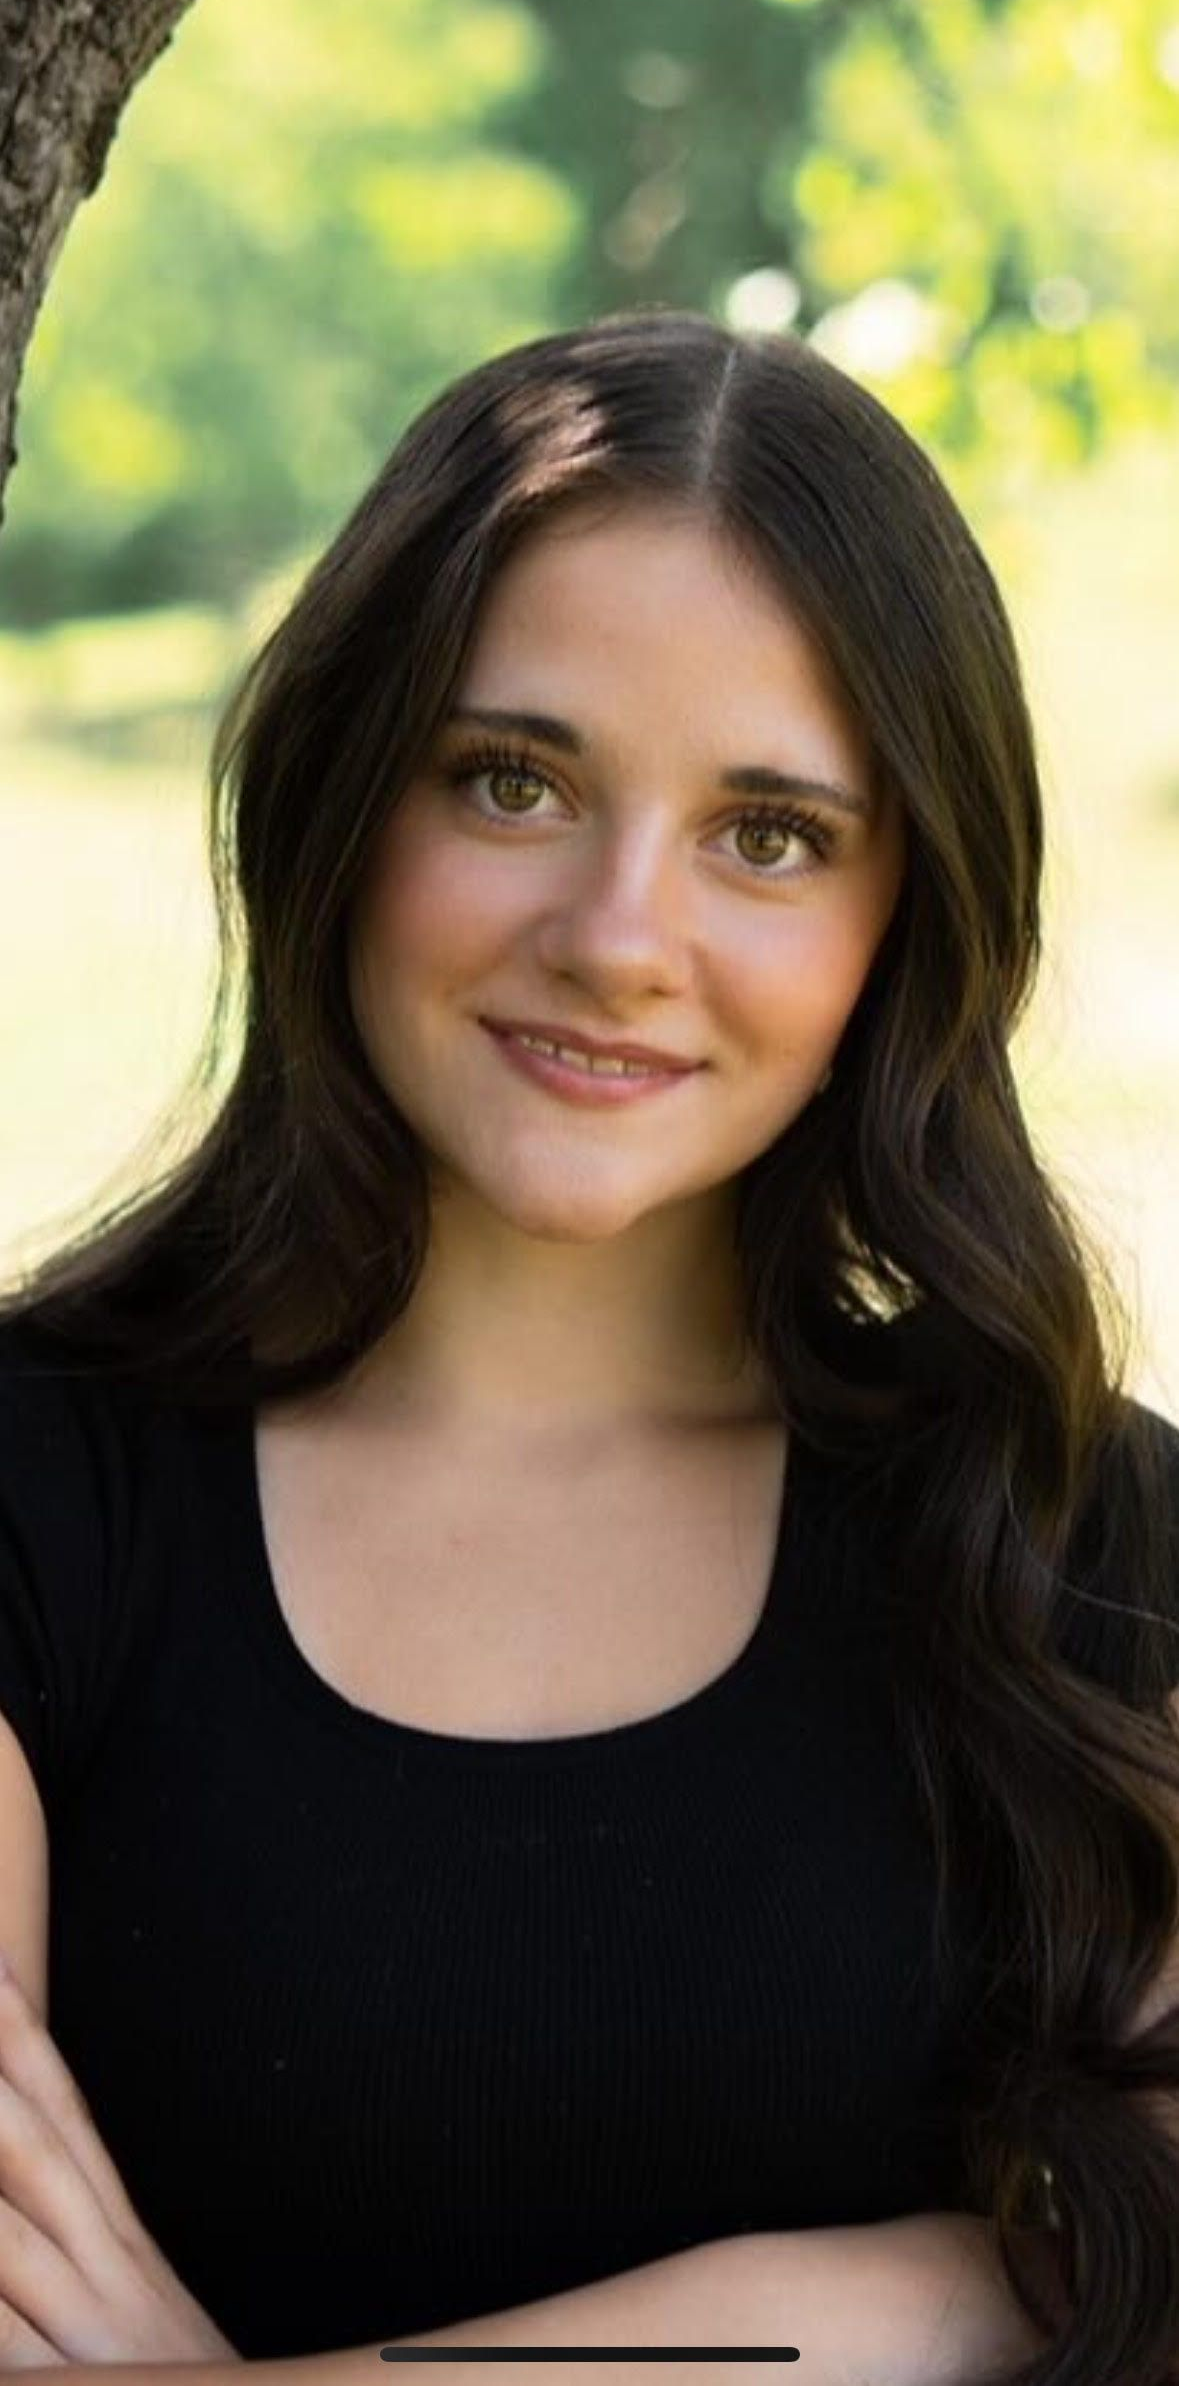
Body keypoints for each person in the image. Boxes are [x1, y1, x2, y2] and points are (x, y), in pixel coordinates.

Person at [0, 307, 1176, 2384]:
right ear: (350, 796)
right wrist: (916, 2309)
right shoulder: (32, 1483)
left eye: (770, 831)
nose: (622, 933)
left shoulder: (1094, 1545)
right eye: (514, 778)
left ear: (904, 916)